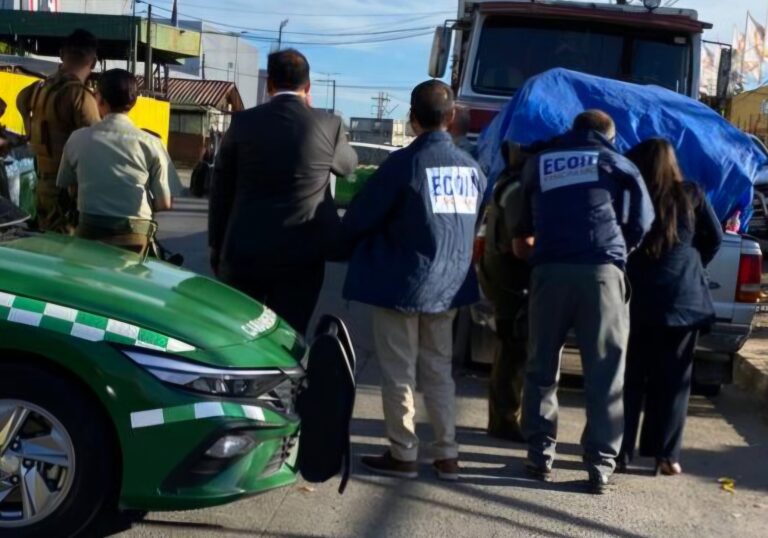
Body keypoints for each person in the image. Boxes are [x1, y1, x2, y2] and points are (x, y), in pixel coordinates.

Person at [342, 80, 487, 481]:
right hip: (450, 286)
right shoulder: (473, 171)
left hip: (403, 285)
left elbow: (361, 217)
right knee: (439, 370)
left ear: (411, 119)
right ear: (451, 117)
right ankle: (448, 454)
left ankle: (403, 453)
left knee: (399, 371)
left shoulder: (404, 165)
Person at [511, 110, 654, 493]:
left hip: (549, 271)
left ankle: (539, 454)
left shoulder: (539, 163)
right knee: (606, 371)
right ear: (609, 135)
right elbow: (641, 221)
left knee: (542, 365)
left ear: (572, 130)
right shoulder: (618, 163)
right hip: (601, 274)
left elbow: (521, 223)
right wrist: (616, 252)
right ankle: (600, 465)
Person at [209, 48, 357, 336]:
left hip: (244, 253)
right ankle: (283, 381)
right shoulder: (328, 124)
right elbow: (347, 165)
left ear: (269, 85)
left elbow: (220, 190)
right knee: (289, 334)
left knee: (240, 334)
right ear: (308, 87)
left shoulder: (243, 123)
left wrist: (217, 246)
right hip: (301, 258)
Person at [619, 138, 722, 476]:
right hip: (684, 299)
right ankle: (666, 455)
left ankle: (620, 452)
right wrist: (692, 263)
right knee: (675, 379)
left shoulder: (633, 194)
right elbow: (715, 237)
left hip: (640, 299)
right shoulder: (692, 194)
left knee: (632, 377)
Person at [56, 69, 175, 253]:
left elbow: (66, 185)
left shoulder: (77, 139)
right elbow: (164, 203)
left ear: (100, 99)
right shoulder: (151, 143)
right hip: (135, 237)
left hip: (89, 232)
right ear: (134, 101)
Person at [17, 29, 101, 233]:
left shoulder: (38, 88)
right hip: (66, 195)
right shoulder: (79, 97)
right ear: (93, 62)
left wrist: (29, 128)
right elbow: (99, 145)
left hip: (42, 186)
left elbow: (20, 102)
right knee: (67, 256)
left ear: (62, 55)